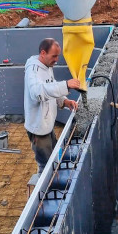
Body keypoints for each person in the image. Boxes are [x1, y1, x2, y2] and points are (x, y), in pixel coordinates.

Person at [24, 38, 81, 173]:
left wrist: (64, 101)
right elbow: (37, 93)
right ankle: (44, 192)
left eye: (58, 56)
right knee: (45, 167)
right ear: (43, 53)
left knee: (53, 158)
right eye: (54, 56)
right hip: (38, 128)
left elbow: (51, 84)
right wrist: (66, 85)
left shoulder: (47, 66)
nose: (56, 59)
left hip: (47, 124)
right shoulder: (33, 71)